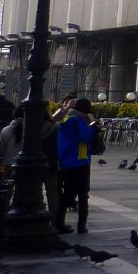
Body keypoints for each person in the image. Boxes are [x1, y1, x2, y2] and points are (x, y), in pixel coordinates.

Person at [56, 97, 96, 234]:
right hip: (80, 160)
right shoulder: (78, 121)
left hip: (66, 161)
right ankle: (81, 226)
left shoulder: (66, 119)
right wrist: (92, 124)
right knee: (83, 194)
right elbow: (86, 137)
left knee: (67, 193)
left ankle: (59, 222)